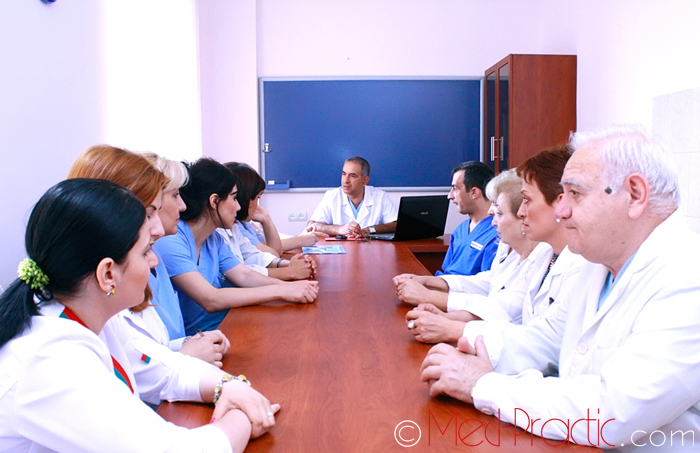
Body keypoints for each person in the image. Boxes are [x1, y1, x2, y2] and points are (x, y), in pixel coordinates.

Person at [420, 125, 700, 451]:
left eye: (575, 193)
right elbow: (548, 337)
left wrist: (483, 384)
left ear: (635, 195)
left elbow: (611, 413)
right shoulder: (599, 263)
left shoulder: (688, 279)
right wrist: (470, 346)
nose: (562, 209)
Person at [0, 178, 279, 452]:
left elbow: (168, 371)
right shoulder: (50, 360)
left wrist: (229, 386)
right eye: (146, 251)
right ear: (107, 274)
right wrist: (244, 414)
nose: (155, 260)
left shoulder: (92, 315)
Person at [68, 145, 229, 367]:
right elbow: (136, 370)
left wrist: (190, 345)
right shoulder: (94, 303)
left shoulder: (140, 265)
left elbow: (148, 352)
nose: (182, 206)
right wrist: (184, 357)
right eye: (149, 213)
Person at [154, 158, 319, 335]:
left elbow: (245, 275)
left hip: (221, 321)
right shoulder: (171, 240)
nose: (239, 206)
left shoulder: (214, 239)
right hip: (200, 334)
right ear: (214, 201)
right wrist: (282, 290)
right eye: (234, 198)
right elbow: (210, 299)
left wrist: (292, 288)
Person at [395, 169, 550, 342]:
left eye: (499, 212)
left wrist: (434, 301)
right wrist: (432, 284)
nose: (492, 219)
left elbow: (505, 308)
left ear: (524, 217)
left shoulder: (542, 256)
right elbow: (491, 281)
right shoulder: (508, 246)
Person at [220, 162, 318, 280]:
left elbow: (254, 256)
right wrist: (291, 271)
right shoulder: (220, 231)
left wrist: (290, 264)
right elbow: (242, 274)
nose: (238, 206)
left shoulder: (235, 227)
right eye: (234, 198)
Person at [306, 156, 398, 237]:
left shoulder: (380, 197)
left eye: (352, 176)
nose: (346, 180)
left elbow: (396, 225)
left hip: (371, 248)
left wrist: (370, 230)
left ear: (364, 181)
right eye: (344, 174)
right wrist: (340, 229)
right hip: (340, 249)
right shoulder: (332, 196)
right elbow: (312, 225)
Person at [437, 161, 499, 276]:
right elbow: (447, 271)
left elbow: (486, 282)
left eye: (455, 189)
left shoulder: (497, 234)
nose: (450, 196)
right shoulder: (460, 230)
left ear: (474, 192)